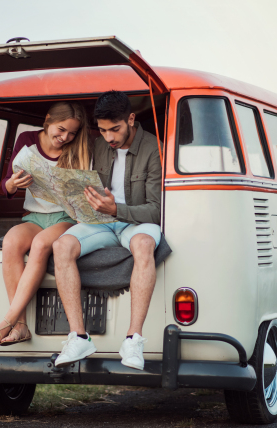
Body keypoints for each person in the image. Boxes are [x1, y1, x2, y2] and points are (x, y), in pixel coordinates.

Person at [52, 90, 162, 370]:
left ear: (131, 119)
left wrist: (116, 210)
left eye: (115, 129)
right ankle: (78, 337)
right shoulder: (99, 144)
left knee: (143, 245)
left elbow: (157, 209)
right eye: (103, 130)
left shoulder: (154, 148)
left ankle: (133, 340)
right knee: (61, 246)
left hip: (137, 222)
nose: (109, 137)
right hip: (101, 221)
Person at [0, 102, 91, 348]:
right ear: (48, 119)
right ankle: (20, 325)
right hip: (34, 216)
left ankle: (7, 321)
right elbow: (6, 184)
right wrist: (12, 185)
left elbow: (84, 193)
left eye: (72, 133)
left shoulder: (77, 148)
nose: (65, 137)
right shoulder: (27, 140)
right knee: (10, 242)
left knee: (40, 244)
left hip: (65, 218)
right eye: (61, 130)